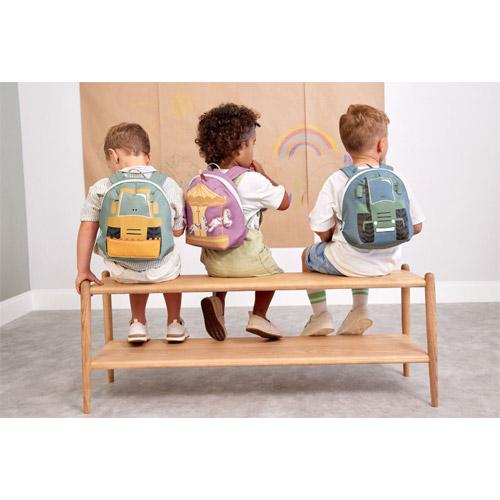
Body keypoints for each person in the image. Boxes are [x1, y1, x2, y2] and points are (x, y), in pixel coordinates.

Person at [301, 104, 425, 336]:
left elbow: (320, 228)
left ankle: (320, 316)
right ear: (381, 145)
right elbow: (416, 226)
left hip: (347, 262)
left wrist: (330, 237)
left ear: (347, 146)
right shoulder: (396, 178)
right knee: (360, 249)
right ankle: (360, 309)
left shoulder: (337, 179)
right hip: (387, 263)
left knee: (308, 256)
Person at [75, 122, 188, 343]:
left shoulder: (102, 187)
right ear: (148, 157)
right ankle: (174, 323)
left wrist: (83, 270)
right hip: (162, 271)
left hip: (121, 271)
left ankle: (137, 322)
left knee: (132, 259)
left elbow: (87, 226)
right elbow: (177, 232)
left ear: (113, 155)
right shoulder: (168, 185)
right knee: (171, 257)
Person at [194, 103, 291, 340]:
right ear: (239, 149)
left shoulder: (205, 179)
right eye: (252, 144)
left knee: (222, 247)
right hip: (248, 260)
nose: (253, 151)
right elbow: (284, 201)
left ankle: (218, 303)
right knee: (274, 274)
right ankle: (259, 315)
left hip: (214, 265)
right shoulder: (252, 181)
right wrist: (264, 175)